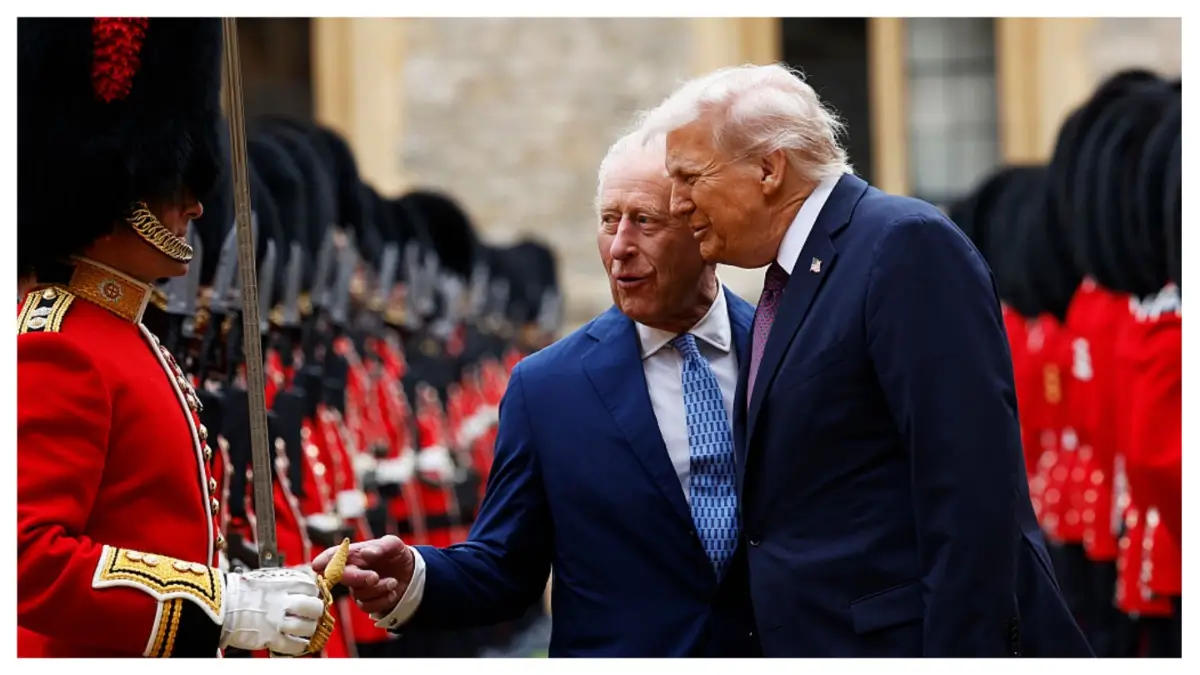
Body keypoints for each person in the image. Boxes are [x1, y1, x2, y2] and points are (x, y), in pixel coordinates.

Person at [634, 63, 1090, 657]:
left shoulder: (902, 246)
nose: (677, 204)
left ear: (769, 169)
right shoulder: (799, 276)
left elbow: (969, 490)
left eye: (690, 177)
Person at [314, 131, 761, 657]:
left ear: (705, 228)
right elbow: (504, 565)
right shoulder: (548, 385)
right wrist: (413, 574)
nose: (619, 248)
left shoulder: (790, 350)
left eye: (644, 221)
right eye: (608, 221)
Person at [17, 18, 326, 657]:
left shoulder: (127, 337)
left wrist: (239, 590)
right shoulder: (60, 345)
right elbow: (26, 559)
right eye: (172, 180)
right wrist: (222, 606)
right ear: (117, 187)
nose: (196, 205)